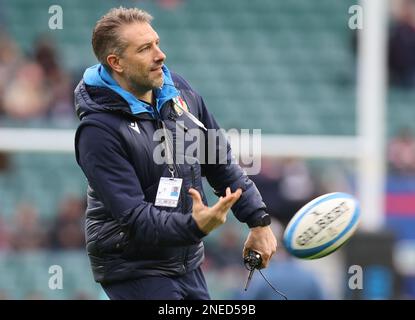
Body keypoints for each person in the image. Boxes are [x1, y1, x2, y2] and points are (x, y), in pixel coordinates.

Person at [74, 7, 277, 300]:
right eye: (145, 49)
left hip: (187, 262)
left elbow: (219, 162)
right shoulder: (98, 131)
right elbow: (135, 219)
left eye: (156, 43)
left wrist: (258, 221)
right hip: (135, 268)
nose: (160, 54)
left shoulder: (179, 92)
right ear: (115, 62)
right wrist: (195, 225)